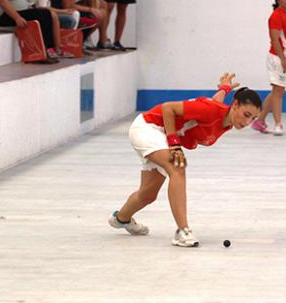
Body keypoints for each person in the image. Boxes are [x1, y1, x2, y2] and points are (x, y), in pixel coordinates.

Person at [108, 73, 262, 247]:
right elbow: (168, 108)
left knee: (147, 194)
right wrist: (174, 145)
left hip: (162, 137)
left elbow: (214, 103)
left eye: (253, 118)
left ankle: (121, 218)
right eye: (246, 114)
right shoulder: (211, 109)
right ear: (235, 105)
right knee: (177, 167)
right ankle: (183, 231)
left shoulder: (224, 118)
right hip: (148, 128)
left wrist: (224, 89)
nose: (247, 122)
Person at [252, 0, 286, 136]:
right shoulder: (276, 16)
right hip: (278, 58)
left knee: (277, 91)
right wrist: (283, 59)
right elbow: (274, 39)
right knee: (278, 93)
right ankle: (278, 124)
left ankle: (260, 121)